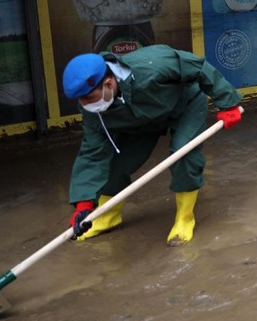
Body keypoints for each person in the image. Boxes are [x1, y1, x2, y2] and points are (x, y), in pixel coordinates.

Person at [62, 45, 243, 246]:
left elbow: (198, 67)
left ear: (108, 82)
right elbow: (92, 153)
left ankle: (185, 217)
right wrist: (83, 203)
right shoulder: (93, 109)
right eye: (80, 100)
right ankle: (107, 216)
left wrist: (228, 103)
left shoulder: (152, 66)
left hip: (183, 105)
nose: (85, 105)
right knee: (114, 160)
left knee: (184, 153)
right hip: (140, 119)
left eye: (88, 98)